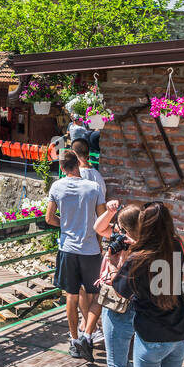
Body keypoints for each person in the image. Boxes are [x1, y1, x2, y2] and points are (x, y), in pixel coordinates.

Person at [116, 202, 184, 367]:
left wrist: (121, 256)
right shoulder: (177, 247)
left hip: (150, 338)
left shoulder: (139, 258)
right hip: (179, 335)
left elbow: (120, 290)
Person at [92, 201, 162, 367]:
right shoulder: (149, 243)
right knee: (127, 363)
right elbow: (98, 227)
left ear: (129, 228)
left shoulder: (134, 250)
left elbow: (119, 285)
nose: (116, 232)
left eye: (120, 227)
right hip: (138, 310)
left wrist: (112, 262)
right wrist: (110, 213)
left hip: (119, 308)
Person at [45, 150, 107, 358]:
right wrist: (98, 243)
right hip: (90, 249)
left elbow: (49, 218)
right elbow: (101, 222)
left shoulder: (57, 186)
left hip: (67, 248)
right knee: (97, 294)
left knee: (71, 295)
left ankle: (74, 340)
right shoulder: (94, 188)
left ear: (62, 168)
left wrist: (64, 226)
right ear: (79, 165)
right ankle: (87, 334)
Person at [70, 138, 107, 345]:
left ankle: (87, 327)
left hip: (80, 236)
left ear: (74, 155)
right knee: (93, 286)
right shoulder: (98, 176)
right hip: (96, 235)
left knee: (82, 288)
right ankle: (92, 326)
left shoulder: (78, 177)